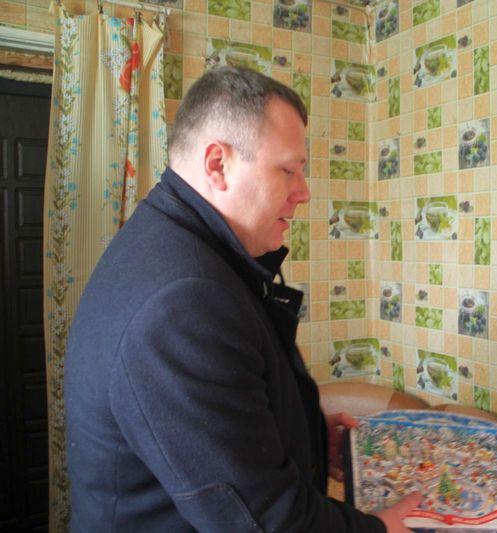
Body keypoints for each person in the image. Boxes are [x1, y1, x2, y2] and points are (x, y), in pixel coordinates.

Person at [65, 67, 420, 532]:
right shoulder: (183, 301)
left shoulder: (170, 244)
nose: (304, 193)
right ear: (218, 165)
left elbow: (218, 436)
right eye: (288, 170)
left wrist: (310, 439)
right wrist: (380, 530)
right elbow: (261, 521)